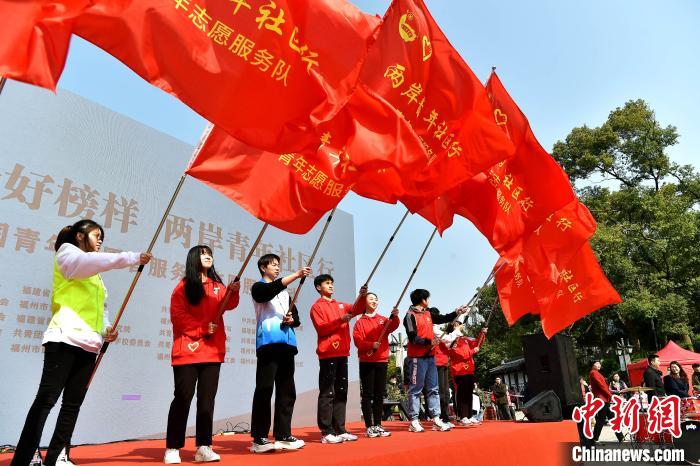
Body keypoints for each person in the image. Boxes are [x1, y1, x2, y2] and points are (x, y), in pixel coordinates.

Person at [11, 220, 151, 466]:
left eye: (101, 238)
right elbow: (89, 262)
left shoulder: (95, 276)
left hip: (89, 345)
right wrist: (131, 258)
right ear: (79, 235)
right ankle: (24, 458)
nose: (99, 241)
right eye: (96, 235)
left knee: (72, 404)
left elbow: (100, 309)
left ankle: (57, 457)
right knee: (46, 400)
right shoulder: (68, 253)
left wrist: (107, 328)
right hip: (64, 337)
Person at [164, 245, 240, 464]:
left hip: (212, 351)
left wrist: (233, 291)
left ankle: (203, 447)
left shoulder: (218, 286)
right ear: (193, 259)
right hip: (187, 349)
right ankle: (173, 447)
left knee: (207, 401)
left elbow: (229, 304)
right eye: (203, 253)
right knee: (183, 398)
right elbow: (177, 316)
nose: (208, 256)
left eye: (210, 253)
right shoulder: (184, 287)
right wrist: (202, 329)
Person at [249, 254, 310, 453]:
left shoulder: (285, 294)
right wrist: (296, 274)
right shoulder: (258, 287)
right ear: (262, 267)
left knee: (286, 390)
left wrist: (292, 320)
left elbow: (297, 318)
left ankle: (283, 435)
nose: (276, 268)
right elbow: (266, 293)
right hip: (268, 343)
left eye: (278, 265)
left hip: (287, 344)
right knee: (265, 389)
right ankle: (259, 437)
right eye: (273, 265)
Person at [310, 274, 367, 444]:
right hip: (328, 353)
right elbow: (321, 329)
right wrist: (339, 320)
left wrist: (362, 296)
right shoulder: (317, 307)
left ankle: (340, 429)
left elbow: (357, 309)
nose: (331, 286)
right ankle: (326, 432)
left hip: (343, 352)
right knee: (328, 392)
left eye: (332, 283)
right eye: (327, 283)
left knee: (341, 392)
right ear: (319, 287)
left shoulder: (341, 305)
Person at [403, 289, 463, 433]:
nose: (428, 301)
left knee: (433, 389)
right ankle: (414, 420)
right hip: (417, 358)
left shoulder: (428, 313)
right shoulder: (409, 316)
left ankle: (436, 418)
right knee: (416, 390)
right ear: (423, 300)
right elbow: (413, 338)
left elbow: (442, 318)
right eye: (427, 298)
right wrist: (430, 342)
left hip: (431, 357)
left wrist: (457, 312)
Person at [352, 292, 399, 438]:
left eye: (376, 299)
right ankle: (369, 426)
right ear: (365, 302)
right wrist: (371, 344)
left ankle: (378, 424)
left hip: (382, 360)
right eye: (371, 299)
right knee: (367, 394)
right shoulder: (360, 322)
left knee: (379, 394)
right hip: (367, 360)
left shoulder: (383, 320)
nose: (374, 301)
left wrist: (395, 316)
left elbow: (393, 326)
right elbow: (358, 342)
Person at [441, 320, 486, 426]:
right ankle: (462, 416)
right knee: (461, 394)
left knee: (469, 393)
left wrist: (482, 333)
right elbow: (461, 354)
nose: (461, 326)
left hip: (469, 369)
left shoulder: (464, 339)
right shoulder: (450, 340)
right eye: (458, 325)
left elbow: (476, 343)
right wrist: (473, 351)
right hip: (458, 371)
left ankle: (469, 416)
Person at [589, 360, 624, 443]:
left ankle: (620, 437)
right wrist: (610, 395)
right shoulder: (594, 373)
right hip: (601, 399)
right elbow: (601, 386)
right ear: (592, 365)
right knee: (601, 419)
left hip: (604, 398)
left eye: (599, 364)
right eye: (597, 363)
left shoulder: (596, 373)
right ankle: (594, 439)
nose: (599, 365)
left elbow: (603, 385)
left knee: (611, 418)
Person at [433, 326, 453, 427]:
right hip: (437, 362)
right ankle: (440, 417)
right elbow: (447, 338)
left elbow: (450, 343)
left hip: (444, 362)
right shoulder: (433, 329)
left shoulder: (438, 330)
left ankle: (445, 417)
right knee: (440, 391)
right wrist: (456, 330)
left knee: (446, 392)